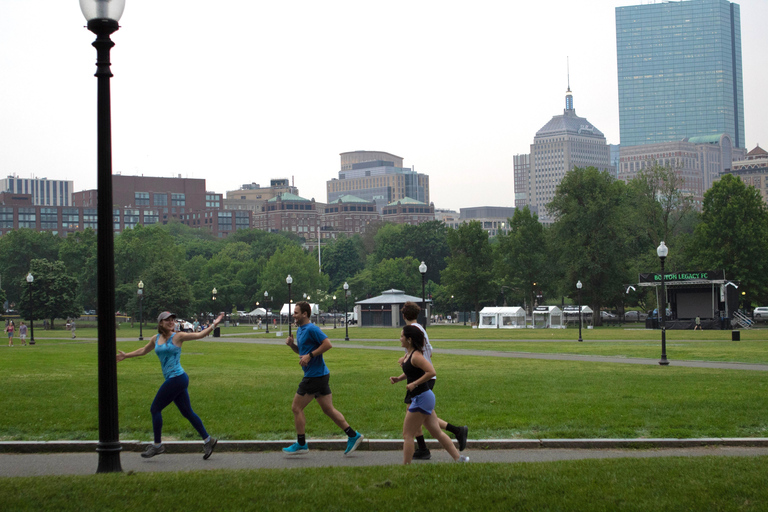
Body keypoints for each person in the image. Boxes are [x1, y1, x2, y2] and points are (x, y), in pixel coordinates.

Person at [116, 310, 225, 459]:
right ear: (160, 322)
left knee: (155, 409)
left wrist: (214, 324)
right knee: (187, 413)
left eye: (172, 320)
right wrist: (125, 356)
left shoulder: (178, 336)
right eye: (167, 320)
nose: (171, 322)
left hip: (178, 378)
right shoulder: (156, 338)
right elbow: (143, 350)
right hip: (174, 380)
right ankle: (208, 440)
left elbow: (200, 335)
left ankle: (157, 445)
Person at [283, 301, 363, 456]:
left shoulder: (312, 329)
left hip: (315, 376)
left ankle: (301, 444)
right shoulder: (300, 330)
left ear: (305, 314)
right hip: (319, 375)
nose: (293, 315)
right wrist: (292, 346)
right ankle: (354, 435)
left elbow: (328, 344)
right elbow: (303, 351)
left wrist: (310, 356)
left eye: (296, 312)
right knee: (328, 409)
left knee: (296, 408)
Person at [395, 301, 468, 460]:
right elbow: (430, 352)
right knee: (430, 426)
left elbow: (427, 363)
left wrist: (414, 373)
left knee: (409, 429)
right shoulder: (420, 330)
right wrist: (406, 362)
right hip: (421, 383)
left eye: (401, 336)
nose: (400, 338)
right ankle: (457, 448)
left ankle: (419, 452)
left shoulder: (414, 332)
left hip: (422, 382)